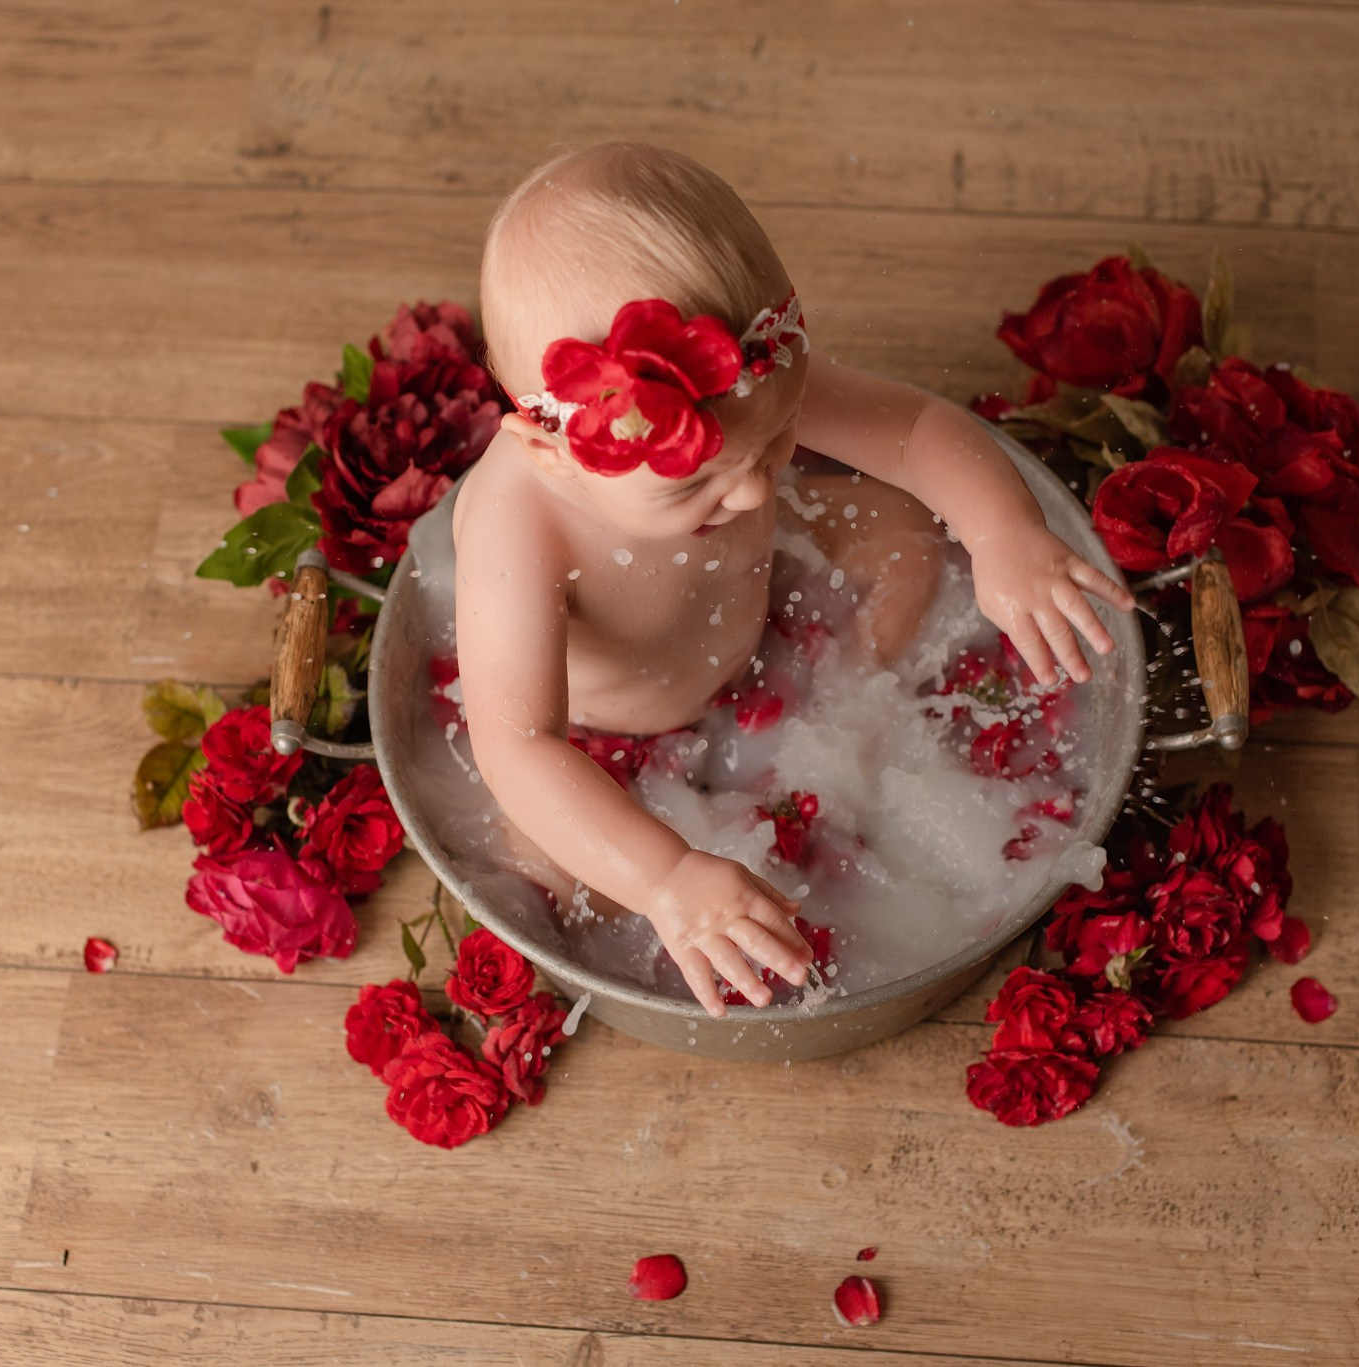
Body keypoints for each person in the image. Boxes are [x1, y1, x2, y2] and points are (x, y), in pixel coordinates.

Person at [452, 140, 1133, 1017]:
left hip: (758, 614)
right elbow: (519, 746)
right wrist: (666, 875)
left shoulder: (743, 376)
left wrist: (1002, 533)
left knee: (905, 530)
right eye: (693, 485)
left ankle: (857, 698)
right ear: (552, 454)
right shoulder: (518, 525)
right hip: (595, 733)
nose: (751, 491)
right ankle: (682, 884)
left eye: (775, 442)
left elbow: (917, 431)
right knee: (541, 860)